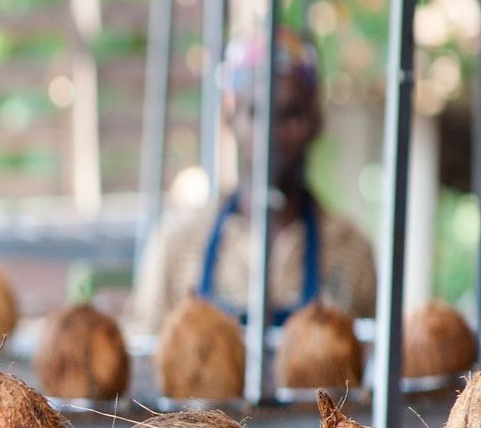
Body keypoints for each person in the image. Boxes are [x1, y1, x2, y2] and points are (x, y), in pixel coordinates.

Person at [130, 28, 377, 329]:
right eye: (256, 113)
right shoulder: (178, 243)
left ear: (315, 122)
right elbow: (144, 359)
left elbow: (365, 366)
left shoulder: (350, 250)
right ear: (231, 119)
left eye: (289, 115)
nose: (271, 133)